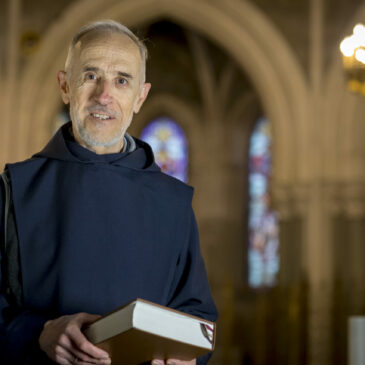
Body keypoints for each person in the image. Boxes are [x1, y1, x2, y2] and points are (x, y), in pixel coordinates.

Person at [0, 20, 217, 365]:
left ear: (139, 97)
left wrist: (187, 358)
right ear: (65, 86)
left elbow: (198, 317)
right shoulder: (14, 188)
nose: (104, 95)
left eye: (121, 80)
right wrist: (39, 333)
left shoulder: (173, 202)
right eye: (90, 76)